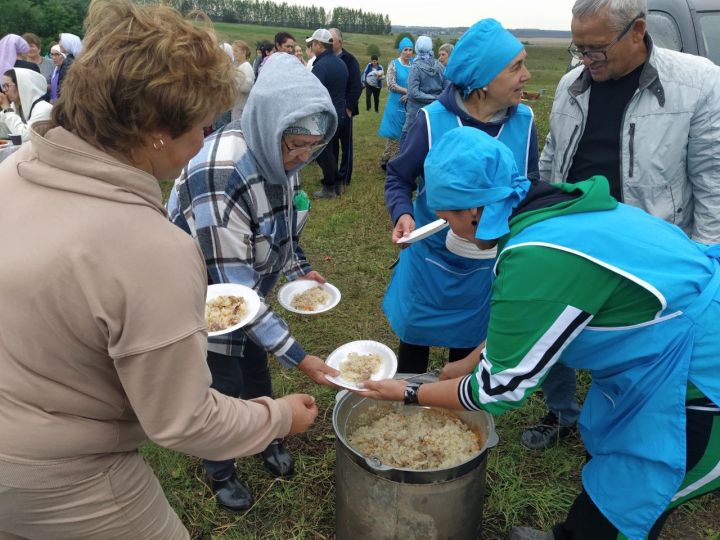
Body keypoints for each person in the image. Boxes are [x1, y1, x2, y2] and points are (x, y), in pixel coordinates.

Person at [0, 1, 318, 538]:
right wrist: (281, 417)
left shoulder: (16, 169)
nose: (206, 139)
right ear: (154, 131)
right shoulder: (151, 249)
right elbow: (183, 418)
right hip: (61, 474)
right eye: (200, 125)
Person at [364, 125, 720, 540]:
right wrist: (470, 358)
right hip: (662, 354)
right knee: (614, 462)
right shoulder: (549, 208)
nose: (452, 231)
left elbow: (498, 391)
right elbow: (544, 319)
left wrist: (409, 392)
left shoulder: (535, 258)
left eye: (447, 219)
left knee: (636, 493)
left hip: (699, 378)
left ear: (474, 211)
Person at [524, 0, 720, 451]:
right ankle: (561, 413)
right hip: (573, 238)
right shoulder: (574, 83)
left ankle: (622, 436)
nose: (585, 61)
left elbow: (711, 181)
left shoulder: (698, 82)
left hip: (645, 251)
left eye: (595, 50)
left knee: (633, 351)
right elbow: (554, 155)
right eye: (578, 50)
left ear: (637, 31)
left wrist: (706, 263)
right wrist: (539, 219)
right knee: (555, 323)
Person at [167, 52, 339, 513]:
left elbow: (280, 222)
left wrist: (299, 268)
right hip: (204, 297)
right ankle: (220, 468)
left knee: (256, 364)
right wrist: (301, 357)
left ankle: (265, 434)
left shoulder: (282, 146)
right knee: (220, 380)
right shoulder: (220, 176)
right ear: (267, 125)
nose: (303, 157)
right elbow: (234, 294)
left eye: (313, 147)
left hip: (243, 287)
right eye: (296, 146)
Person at [384, 18, 538, 373]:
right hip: (429, 260)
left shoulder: (524, 123)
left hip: (483, 266)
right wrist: (403, 213)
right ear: (483, 80)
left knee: (467, 352)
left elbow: (526, 189)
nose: (526, 75)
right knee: (414, 344)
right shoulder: (432, 121)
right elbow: (398, 176)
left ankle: (456, 412)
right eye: (516, 67)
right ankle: (406, 408)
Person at [306, 28, 348, 199]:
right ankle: (336, 183)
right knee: (330, 149)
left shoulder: (321, 66)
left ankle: (330, 187)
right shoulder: (339, 62)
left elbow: (312, 93)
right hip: (339, 112)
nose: (311, 46)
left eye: (312, 44)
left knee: (323, 152)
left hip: (325, 115)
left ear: (319, 45)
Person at [329, 28, 362, 188]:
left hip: (345, 111)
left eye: (332, 40)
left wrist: (348, 108)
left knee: (346, 146)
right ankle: (333, 174)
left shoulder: (350, 60)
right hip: (330, 111)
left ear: (340, 42)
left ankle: (344, 177)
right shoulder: (325, 59)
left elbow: (357, 86)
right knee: (331, 144)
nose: (329, 42)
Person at [401, 35, 448, 140]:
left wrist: (434, 98)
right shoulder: (440, 66)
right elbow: (447, 89)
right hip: (435, 110)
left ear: (417, 48)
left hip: (415, 114)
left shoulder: (415, 68)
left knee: (407, 142)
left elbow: (413, 92)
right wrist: (437, 98)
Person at [378, 37, 413, 170]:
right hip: (396, 103)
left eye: (410, 50)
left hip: (410, 104)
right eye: (406, 49)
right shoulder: (394, 64)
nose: (408, 52)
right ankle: (386, 159)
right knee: (394, 134)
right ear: (400, 50)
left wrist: (410, 94)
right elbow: (391, 84)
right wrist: (407, 91)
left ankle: (397, 161)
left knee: (406, 134)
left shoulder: (414, 64)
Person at [0, 68, 53, 142]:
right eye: (3, 86)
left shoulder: (44, 109)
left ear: (21, 86)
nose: (4, 91)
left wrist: (7, 110)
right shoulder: (15, 106)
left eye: (7, 86)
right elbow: (3, 130)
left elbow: (24, 137)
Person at [231, 39, 255, 121]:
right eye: (232, 51)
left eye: (236, 51)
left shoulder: (246, 67)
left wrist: (232, 84)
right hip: (237, 105)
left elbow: (246, 88)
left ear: (244, 52)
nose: (233, 53)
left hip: (242, 107)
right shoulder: (239, 66)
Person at [56, 32, 82, 99]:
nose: (59, 44)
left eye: (61, 41)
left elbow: (63, 84)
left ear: (68, 43)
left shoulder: (69, 62)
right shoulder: (81, 59)